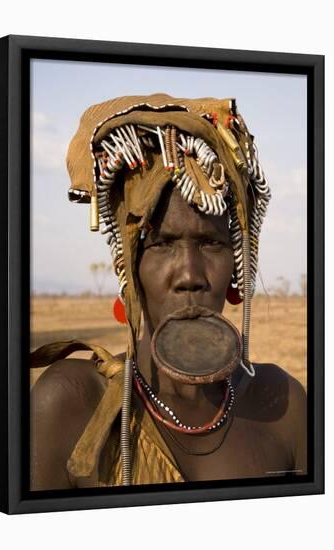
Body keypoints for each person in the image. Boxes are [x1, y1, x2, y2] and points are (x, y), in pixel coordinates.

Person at [30, 94, 307, 490]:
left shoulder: (283, 405)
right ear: (129, 267)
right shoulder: (69, 404)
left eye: (211, 244)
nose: (190, 274)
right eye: (161, 244)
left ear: (237, 265)